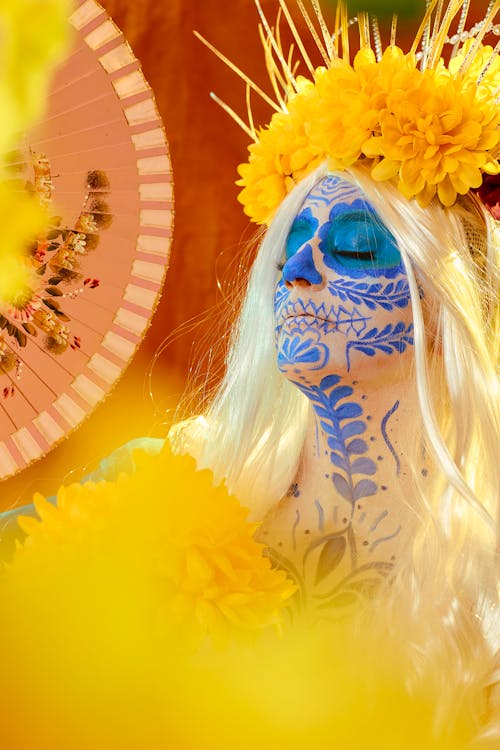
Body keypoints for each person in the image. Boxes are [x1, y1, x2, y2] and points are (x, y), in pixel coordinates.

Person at [0, 0, 498, 741]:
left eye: (355, 248)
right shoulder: (165, 488)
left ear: (442, 303)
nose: (300, 269)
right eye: (291, 243)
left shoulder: (483, 568)